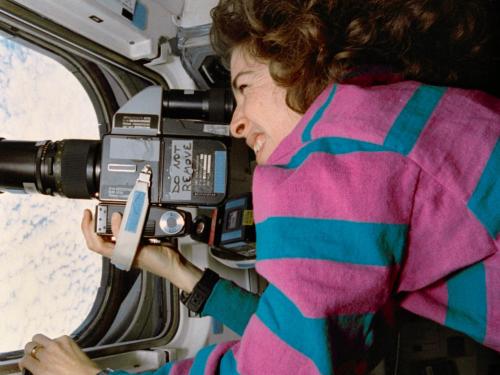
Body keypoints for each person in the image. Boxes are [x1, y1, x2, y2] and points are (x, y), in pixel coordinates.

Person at [20, 0, 500, 374]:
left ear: (301, 57)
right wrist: (178, 271)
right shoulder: (383, 122)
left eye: (244, 87)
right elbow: (311, 340)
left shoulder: (331, 156)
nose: (236, 124)